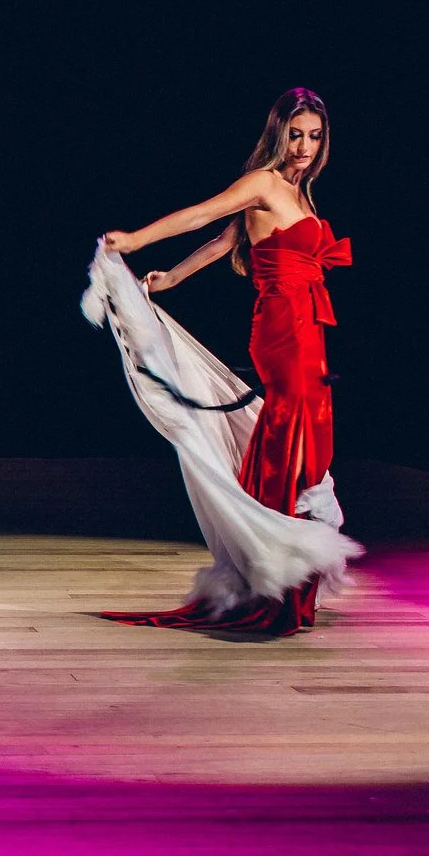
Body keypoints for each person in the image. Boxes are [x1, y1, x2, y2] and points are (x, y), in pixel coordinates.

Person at [97, 87, 357, 635]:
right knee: (290, 433)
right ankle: (272, 569)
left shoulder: (298, 192)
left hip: (310, 328)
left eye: (314, 136)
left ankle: (281, 569)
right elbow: (202, 216)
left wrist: (170, 279)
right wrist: (137, 241)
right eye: (295, 133)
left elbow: (222, 244)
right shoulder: (263, 182)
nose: (305, 145)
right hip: (283, 328)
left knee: (307, 437)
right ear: (277, 132)